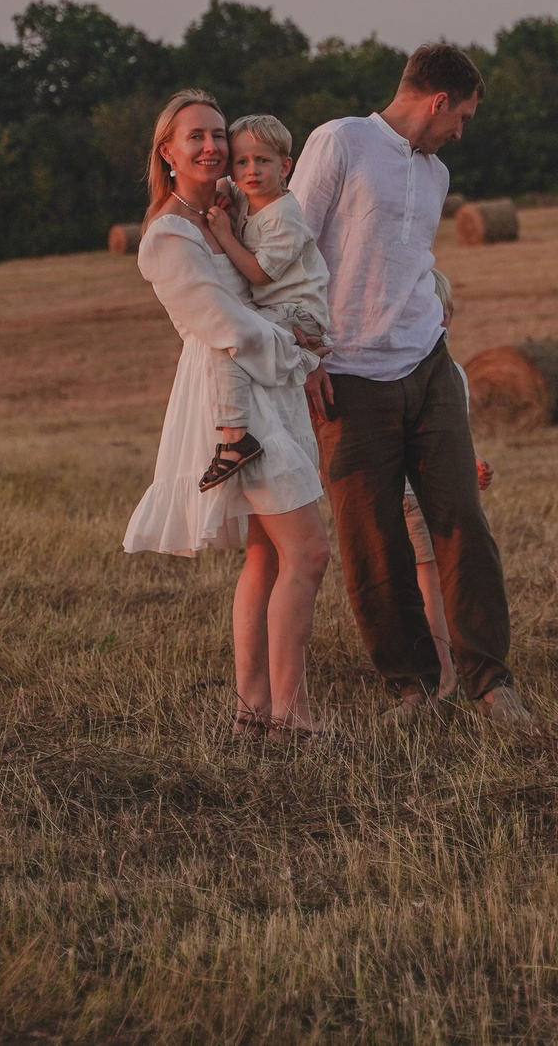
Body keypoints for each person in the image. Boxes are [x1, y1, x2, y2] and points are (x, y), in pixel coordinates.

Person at [294, 44, 534, 728]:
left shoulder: (436, 174)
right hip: (348, 374)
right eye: (461, 116)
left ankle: (491, 682)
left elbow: (408, 259)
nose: (460, 130)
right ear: (436, 101)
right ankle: (413, 689)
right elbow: (293, 246)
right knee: (371, 539)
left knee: (463, 518)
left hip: (427, 362)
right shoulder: (341, 140)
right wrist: (306, 351)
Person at [120, 90, 337, 739]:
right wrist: (299, 350)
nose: (213, 146)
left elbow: (276, 274)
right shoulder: (166, 235)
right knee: (310, 551)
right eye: (196, 137)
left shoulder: (225, 208)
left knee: (268, 558)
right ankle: (291, 716)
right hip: (232, 400)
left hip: (265, 388)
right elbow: (222, 324)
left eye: (219, 133)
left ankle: (253, 715)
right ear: (167, 151)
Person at [187, 114, 330, 492]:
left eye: (263, 161)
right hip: (275, 309)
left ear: (285, 166)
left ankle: (236, 438)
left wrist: (222, 231)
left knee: (232, 337)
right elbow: (207, 184)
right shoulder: (242, 194)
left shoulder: (286, 217)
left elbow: (259, 273)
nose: (251, 171)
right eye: (242, 162)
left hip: (299, 310)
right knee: (231, 332)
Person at [403, 267, 494, 699]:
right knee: (430, 583)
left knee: (432, 579)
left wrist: (471, 460)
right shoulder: (421, 373)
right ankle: (443, 677)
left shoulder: (452, 375)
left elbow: (447, 434)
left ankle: (436, 671)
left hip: (423, 486)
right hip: (412, 492)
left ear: (448, 317)